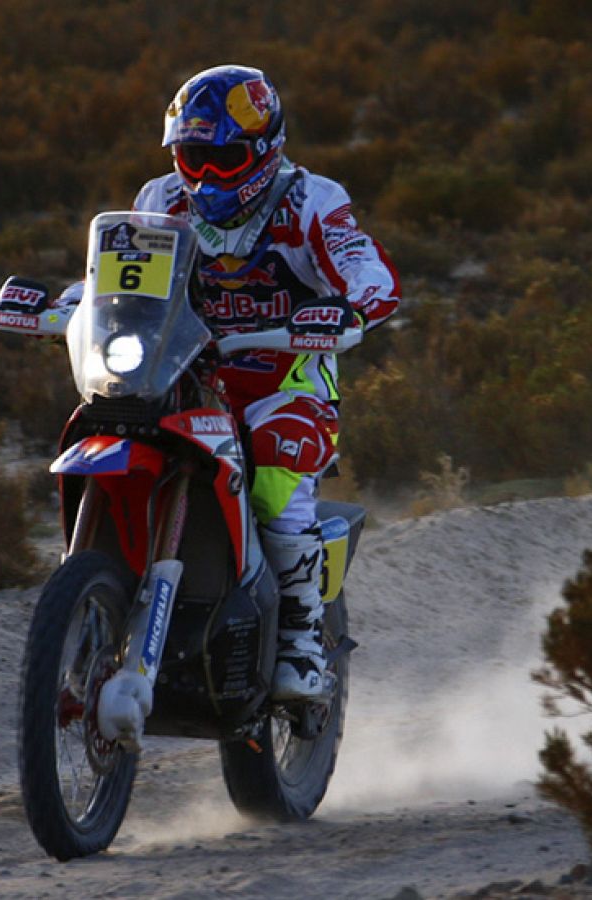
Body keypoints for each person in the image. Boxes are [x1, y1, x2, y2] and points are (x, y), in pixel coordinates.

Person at [136, 64, 399, 700]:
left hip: (290, 378)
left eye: (220, 157)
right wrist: (75, 301)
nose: (200, 173)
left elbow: (370, 271)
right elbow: (127, 282)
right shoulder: (160, 202)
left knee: (277, 459)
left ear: (262, 150)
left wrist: (353, 305)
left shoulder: (311, 201)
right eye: (189, 155)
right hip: (192, 377)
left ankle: (302, 636)